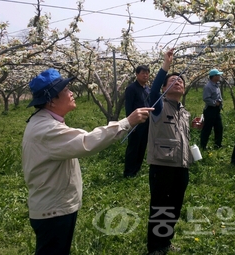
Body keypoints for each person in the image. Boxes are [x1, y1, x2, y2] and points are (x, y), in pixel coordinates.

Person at [22, 68, 153, 255]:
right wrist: (126, 122)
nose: (72, 93)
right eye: (66, 90)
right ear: (51, 100)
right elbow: (87, 141)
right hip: (53, 212)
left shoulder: (45, 122)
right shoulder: (46, 129)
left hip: (53, 207)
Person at [146, 49, 193, 255]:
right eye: (173, 80)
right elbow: (152, 91)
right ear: (164, 88)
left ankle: (166, 241)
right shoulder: (158, 106)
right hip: (162, 165)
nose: (178, 82)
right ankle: (155, 246)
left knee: (174, 206)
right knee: (160, 207)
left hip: (181, 166)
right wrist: (166, 66)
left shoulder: (184, 111)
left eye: (181, 81)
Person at [124, 65, 151, 177]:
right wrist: (131, 123)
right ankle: (129, 172)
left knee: (142, 145)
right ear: (137, 74)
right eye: (143, 73)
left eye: (147, 73)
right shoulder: (131, 88)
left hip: (146, 121)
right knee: (133, 147)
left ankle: (137, 169)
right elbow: (128, 107)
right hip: (136, 122)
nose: (145, 75)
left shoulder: (147, 89)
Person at [200, 68, 224, 150]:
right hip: (210, 110)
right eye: (218, 75)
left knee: (219, 127)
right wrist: (215, 103)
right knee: (207, 128)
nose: (219, 76)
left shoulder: (216, 85)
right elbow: (206, 98)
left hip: (216, 110)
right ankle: (203, 146)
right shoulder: (208, 86)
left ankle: (218, 144)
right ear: (213, 76)